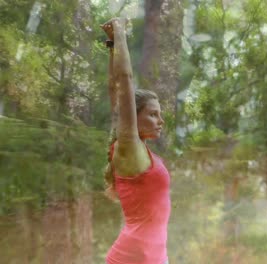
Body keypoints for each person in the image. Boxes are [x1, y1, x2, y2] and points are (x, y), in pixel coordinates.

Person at [101, 18, 171, 264]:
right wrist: (120, 34)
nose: (160, 121)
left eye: (160, 115)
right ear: (133, 116)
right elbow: (123, 81)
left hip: (155, 257)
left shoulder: (140, 148)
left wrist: (112, 45)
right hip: (131, 258)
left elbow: (112, 87)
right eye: (153, 114)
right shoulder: (128, 146)